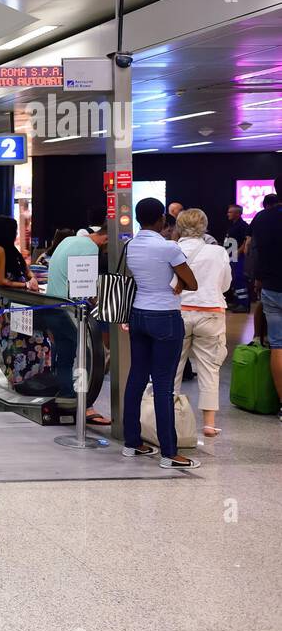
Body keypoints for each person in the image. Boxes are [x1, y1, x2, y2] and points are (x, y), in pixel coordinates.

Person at [122, 197, 201, 469]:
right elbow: (191, 281)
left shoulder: (131, 245)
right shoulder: (168, 247)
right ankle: (169, 453)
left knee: (136, 378)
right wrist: (178, 281)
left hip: (139, 314)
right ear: (162, 220)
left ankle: (132, 443)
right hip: (165, 317)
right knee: (164, 385)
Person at [171, 209, 232, 438]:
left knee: (172, 367)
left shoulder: (172, 249)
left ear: (178, 226)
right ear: (204, 226)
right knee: (210, 368)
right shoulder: (217, 252)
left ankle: (170, 420)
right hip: (212, 312)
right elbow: (225, 285)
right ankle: (208, 424)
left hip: (178, 312)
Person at [43, 224, 109, 424]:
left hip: (51, 307)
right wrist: (98, 302)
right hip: (69, 311)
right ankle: (85, 406)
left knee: (65, 356)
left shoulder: (69, 240)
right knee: (86, 357)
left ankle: (67, 397)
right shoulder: (90, 248)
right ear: (106, 239)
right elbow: (83, 285)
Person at [247, 176, 282, 420]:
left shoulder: (262, 218)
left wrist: (257, 279)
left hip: (271, 286)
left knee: (278, 345)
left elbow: (255, 251)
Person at [0, 215, 39, 293]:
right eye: (14, 230)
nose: (16, 233)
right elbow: (0, 281)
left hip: (20, 292)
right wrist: (26, 285)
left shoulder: (13, 249)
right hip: (7, 295)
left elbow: (27, 271)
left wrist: (33, 278)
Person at [222, 204, 252, 312]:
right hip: (231, 257)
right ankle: (237, 302)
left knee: (239, 278)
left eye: (230, 212)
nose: (228, 214)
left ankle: (244, 304)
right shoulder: (233, 225)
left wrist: (238, 252)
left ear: (237, 213)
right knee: (234, 280)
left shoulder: (243, 225)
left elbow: (246, 240)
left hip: (238, 257)